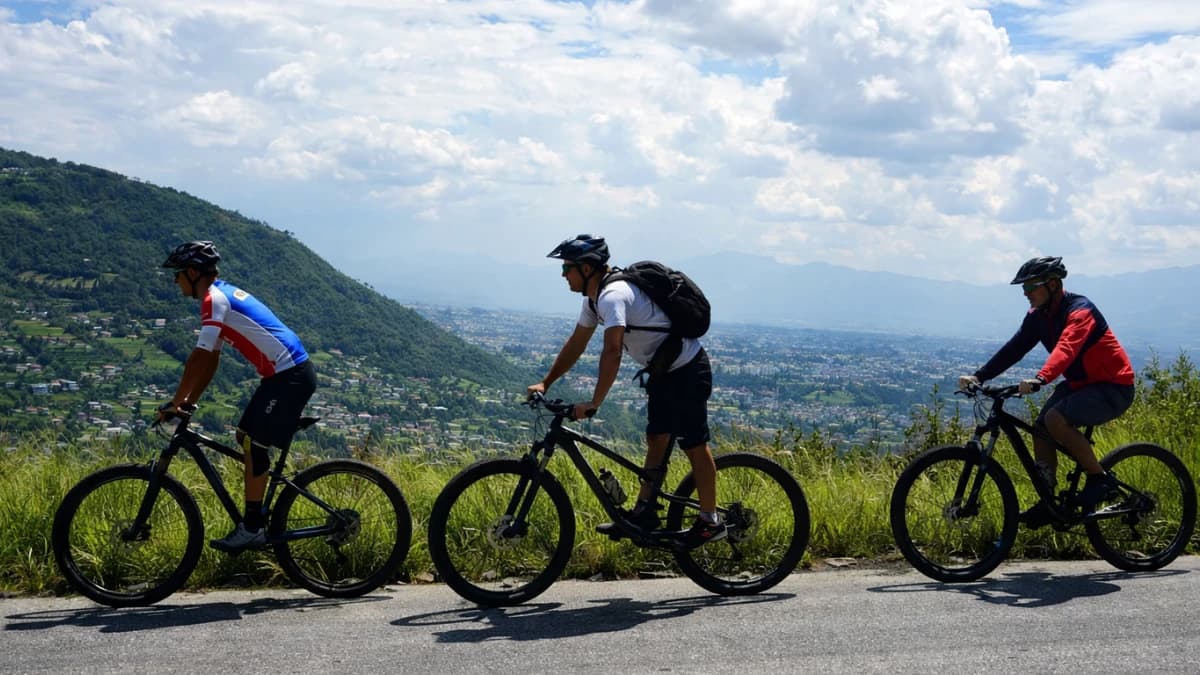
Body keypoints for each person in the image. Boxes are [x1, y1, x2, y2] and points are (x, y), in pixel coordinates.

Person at [527, 234, 724, 549]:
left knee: (694, 445)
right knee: (656, 439)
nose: (563, 275)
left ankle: (710, 520)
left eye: (567, 268)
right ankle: (644, 513)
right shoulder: (593, 300)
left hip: (687, 370)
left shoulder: (613, 296)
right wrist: (546, 382)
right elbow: (576, 343)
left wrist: (595, 402)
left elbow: (613, 350)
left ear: (588, 268)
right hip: (663, 373)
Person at [158, 240, 317, 553]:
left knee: (253, 444)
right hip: (283, 376)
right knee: (245, 435)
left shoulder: (214, 299)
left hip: (290, 377)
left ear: (192, 272)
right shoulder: (220, 295)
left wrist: (176, 402)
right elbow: (211, 359)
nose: (175, 280)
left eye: (177, 274)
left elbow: (200, 355)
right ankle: (256, 518)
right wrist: (189, 402)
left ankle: (253, 528)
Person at [959, 256, 1135, 527]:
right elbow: (1014, 348)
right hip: (1080, 385)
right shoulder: (1038, 317)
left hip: (1113, 387)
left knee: (1055, 420)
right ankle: (1049, 501)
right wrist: (979, 376)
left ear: (1052, 284)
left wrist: (1041, 378)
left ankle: (1101, 480)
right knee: (1042, 426)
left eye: (1031, 287)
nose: (1025, 294)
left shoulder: (1080, 311)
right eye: (1023, 288)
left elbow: (1066, 348)